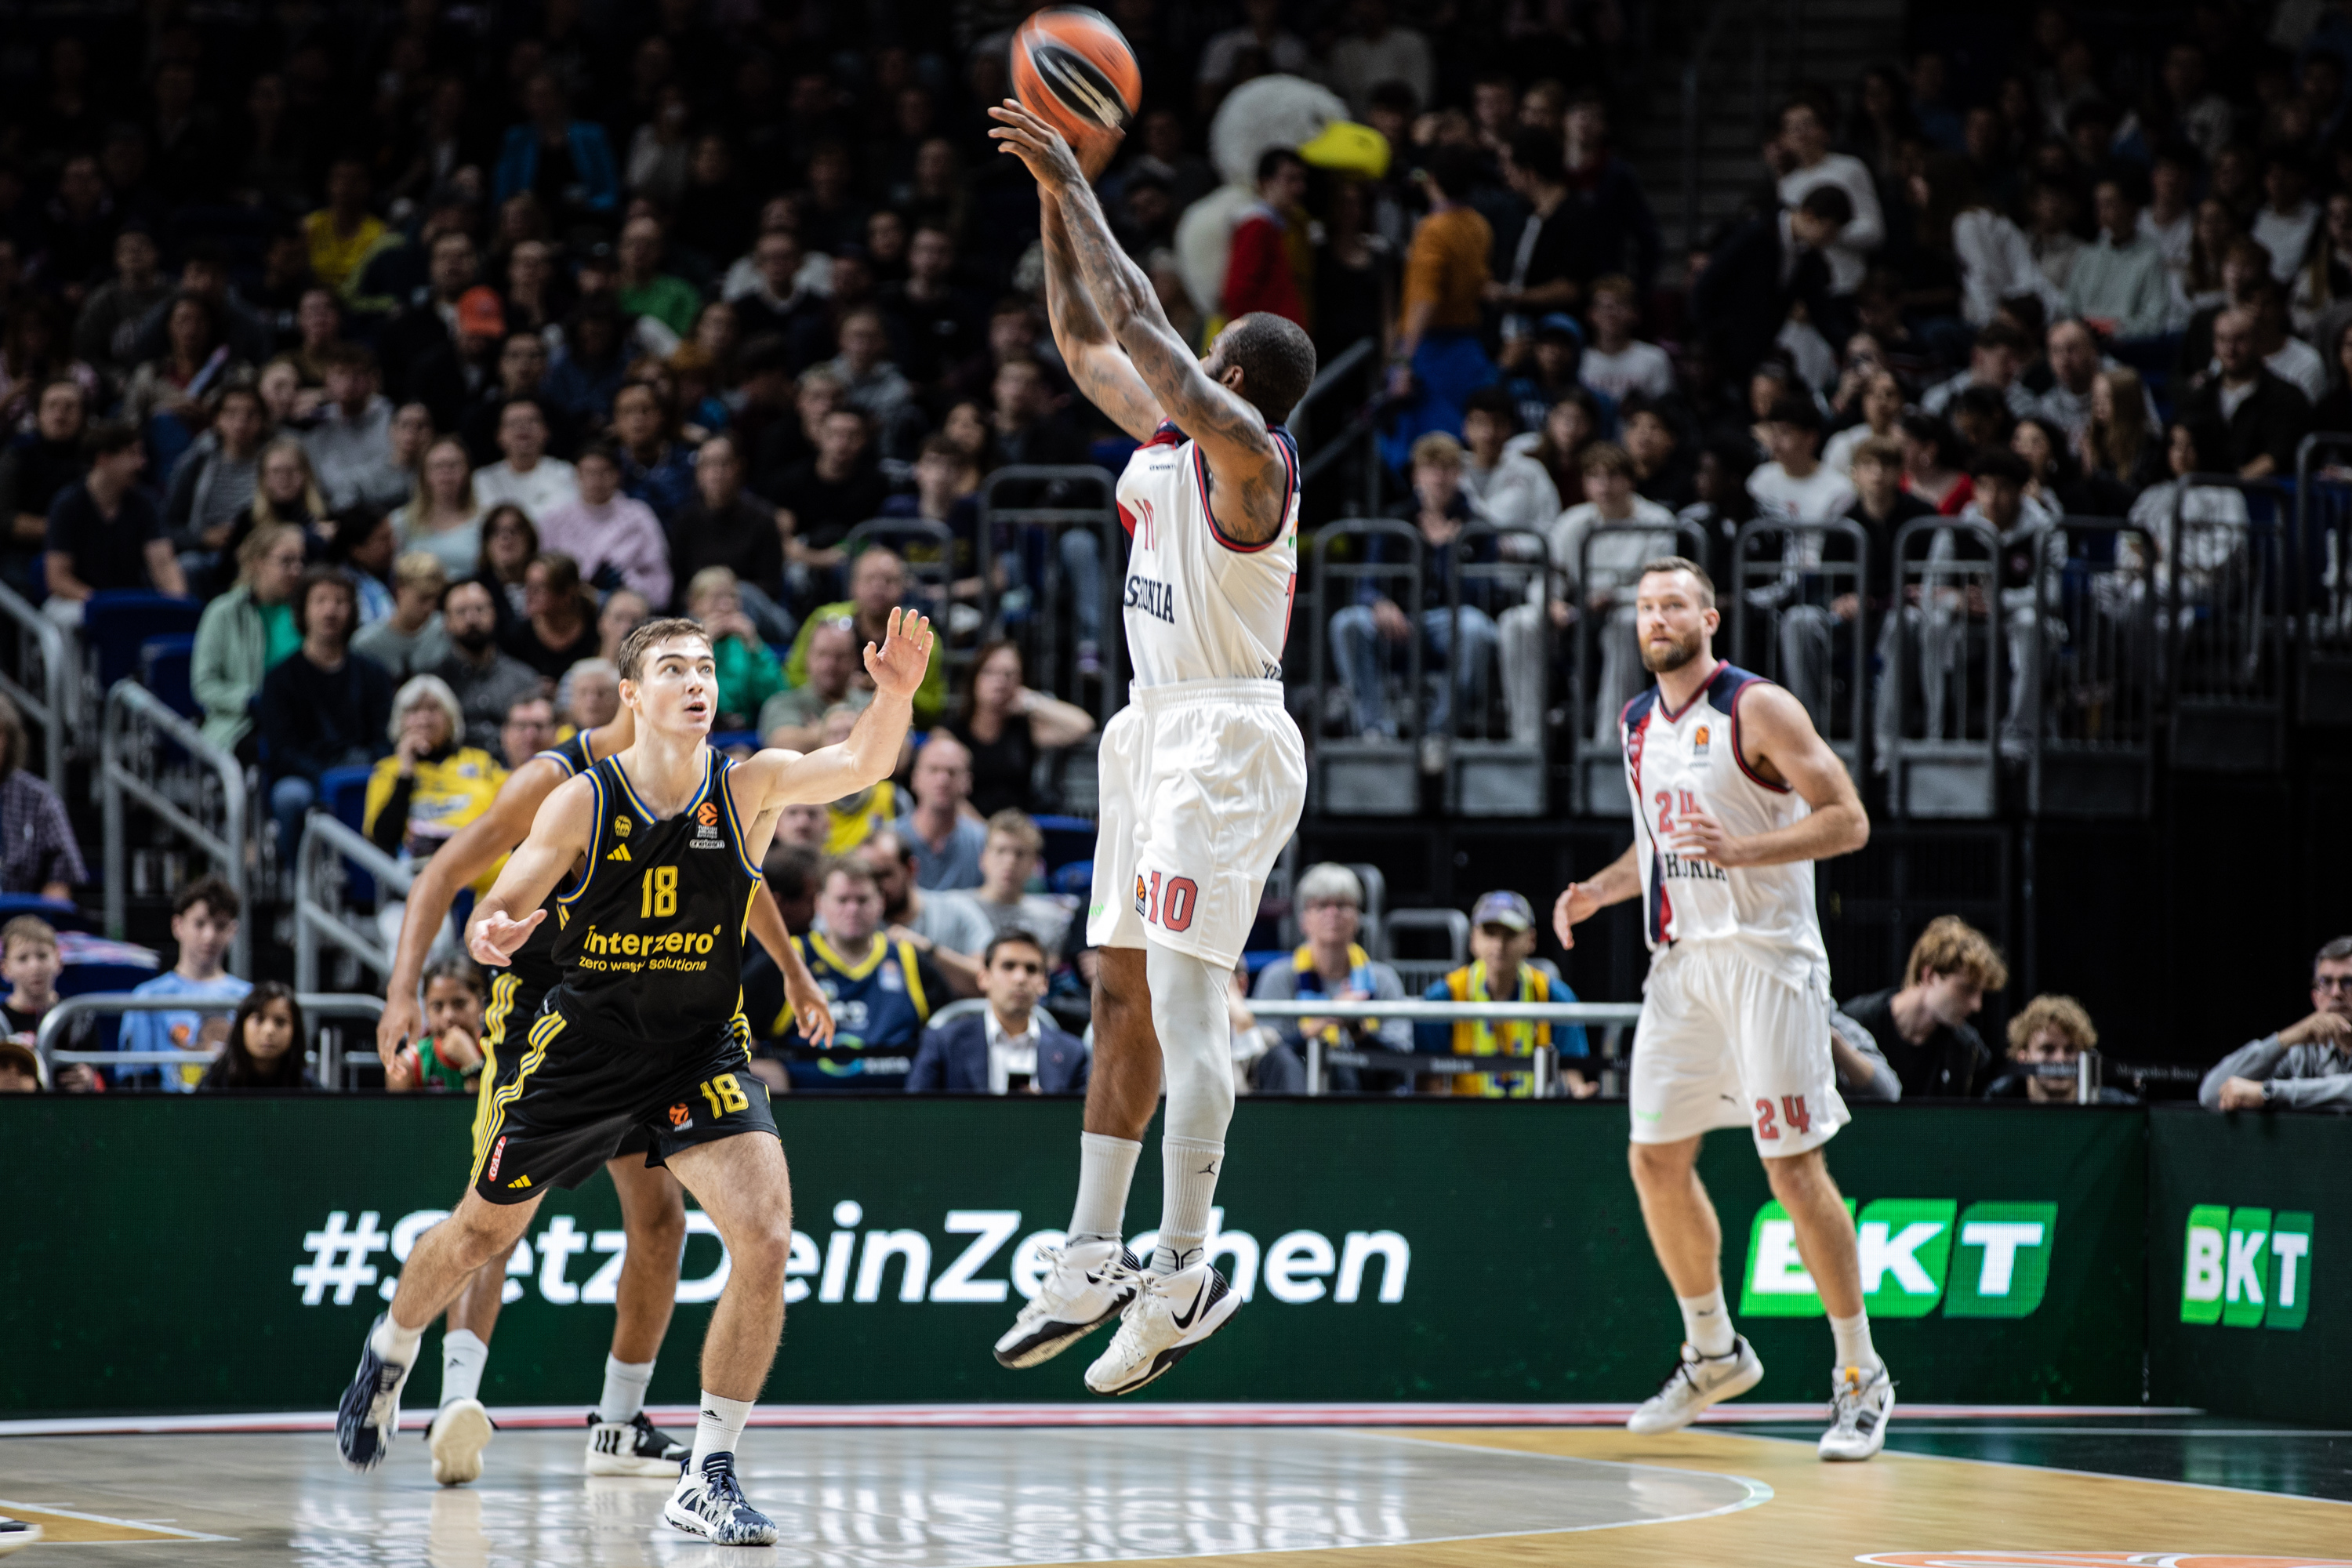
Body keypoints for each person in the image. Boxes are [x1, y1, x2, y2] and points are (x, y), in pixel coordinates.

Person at [343, 610, 927, 1546]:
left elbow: (862, 760)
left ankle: (708, 1469)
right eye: (673, 668)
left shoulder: (748, 784)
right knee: (481, 1231)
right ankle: (393, 1344)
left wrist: (892, 696)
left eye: (706, 668)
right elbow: (505, 893)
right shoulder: (580, 798)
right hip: (585, 1053)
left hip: (698, 1049)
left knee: (766, 1236)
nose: (696, 682)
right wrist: (496, 928)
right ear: (632, 694)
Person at [986, 98, 1315, 1394]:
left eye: (1205, 351)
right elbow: (1086, 339)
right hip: (1150, 728)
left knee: (1186, 1004)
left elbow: (1138, 327)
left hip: (1225, 735)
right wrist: (1046, 204)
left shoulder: (1249, 459)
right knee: (1117, 990)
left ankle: (1185, 1268)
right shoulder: (1176, 439)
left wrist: (1079, 179)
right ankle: (1089, 1256)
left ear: (1229, 373)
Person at [1550, 555, 1887, 1458]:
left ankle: (1861, 1373)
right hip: (1681, 965)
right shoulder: (1635, 721)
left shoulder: (1757, 707)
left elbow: (1849, 819)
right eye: (1644, 606)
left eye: (1674, 604)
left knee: (1793, 1172)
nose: (1656, 618)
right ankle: (1713, 1349)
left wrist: (1742, 850)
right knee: (1654, 1158)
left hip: (1768, 958)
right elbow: (1660, 846)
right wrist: (1599, 890)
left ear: (1711, 618)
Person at [761, 854, 948, 1091]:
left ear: (881, 902)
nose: (852, 909)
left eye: (862, 900)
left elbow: (949, 1031)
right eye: (842, 900)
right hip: (805, 1103)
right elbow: (736, 1022)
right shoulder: (790, 957)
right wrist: (763, 1068)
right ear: (820, 904)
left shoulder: (907, 958)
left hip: (899, 1104)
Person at [258, 568, 394, 862]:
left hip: (362, 769)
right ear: (303, 611)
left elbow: (384, 737)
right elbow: (283, 751)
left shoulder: (373, 673)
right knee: (291, 797)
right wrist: (325, 776)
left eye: (340, 601)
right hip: (306, 775)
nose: (330, 611)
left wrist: (368, 766)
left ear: (352, 611)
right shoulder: (280, 678)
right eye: (320, 601)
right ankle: (296, 883)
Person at [364, 674, 506, 947]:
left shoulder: (481, 763)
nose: (424, 719)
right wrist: (406, 773)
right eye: (413, 711)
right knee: (427, 938)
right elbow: (382, 837)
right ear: (399, 721)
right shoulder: (388, 771)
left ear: (451, 717)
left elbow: (507, 819)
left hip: (482, 876)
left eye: (433, 709)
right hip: (415, 882)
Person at [1248, 862, 1413, 1094]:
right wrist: (1330, 1016)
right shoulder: (1278, 976)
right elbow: (1266, 1057)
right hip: (1297, 1096)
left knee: (1344, 1067)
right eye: (1322, 905)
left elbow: (1400, 1060)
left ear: (1358, 918)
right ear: (1303, 920)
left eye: (1343, 905)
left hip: (1368, 1095)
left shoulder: (1383, 979)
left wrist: (1356, 1029)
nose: (1333, 913)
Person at [1417, 890, 1593, 1098]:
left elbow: (1573, 1076)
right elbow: (1429, 1085)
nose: (1499, 945)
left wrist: (1580, 1094)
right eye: (1490, 933)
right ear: (1473, 939)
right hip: (1463, 1115)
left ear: (1531, 940)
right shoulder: (1443, 996)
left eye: (1510, 934)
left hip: (1534, 1115)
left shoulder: (1555, 996)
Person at [1838, 915, 2007, 1098]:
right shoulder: (1855, 1022)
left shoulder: (1968, 1051)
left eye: (1981, 993)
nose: (1977, 1005)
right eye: (1967, 989)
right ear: (1930, 975)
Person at [908, 930, 1089, 1094]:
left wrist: (1045, 1113)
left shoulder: (1073, 1053)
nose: (1020, 978)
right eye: (1008, 966)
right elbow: (916, 1112)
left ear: (1045, 984)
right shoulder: (943, 1043)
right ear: (984, 978)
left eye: (1031, 969)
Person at [783, 546, 948, 724]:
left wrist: (890, 690)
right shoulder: (824, 621)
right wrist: (837, 686)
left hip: (895, 725)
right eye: (870, 579)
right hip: (823, 718)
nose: (878, 587)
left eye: (888, 580)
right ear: (853, 585)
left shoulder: (922, 636)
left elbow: (933, 708)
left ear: (903, 587)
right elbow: (793, 677)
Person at [115, 877, 249, 1094]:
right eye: (200, 924)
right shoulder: (148, 996)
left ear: (233, 931)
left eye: (220, 926)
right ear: (178, 925)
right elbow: (135, 1080)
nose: (209, 936)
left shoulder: (249, 997)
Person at [43, 419, 185, 618]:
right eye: (132, 454)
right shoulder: (67, 504)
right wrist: (102, 604)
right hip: (81, 600)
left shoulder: (145, 503)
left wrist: (179, 604)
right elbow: (58, 578)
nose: (142, 463)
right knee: (66, 617)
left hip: (129, 599)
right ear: (104, 459)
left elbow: (163, 563)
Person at [2200, 935, 2352, 1113]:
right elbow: (2211, 1095)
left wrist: (2270, 1093)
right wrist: (2284, 1040)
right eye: (2326, 982)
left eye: (2348, 982)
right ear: (2315, 998)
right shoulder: (2301, 1053)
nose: (2335, 993)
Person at [191, 523, 307, 754]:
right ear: (258, 562)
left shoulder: (307, 612)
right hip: (243, 724)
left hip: (304, 720)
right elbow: (204, 685)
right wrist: (251, 700)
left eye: (300, 561)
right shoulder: (223, 612)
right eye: (286, 561)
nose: (296, 570)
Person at [946, 640, 1095, 818]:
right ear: (974, 677)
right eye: (989, 672)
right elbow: (947, 794)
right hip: (968, 828)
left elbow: (1082, 726)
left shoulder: (1025, 729)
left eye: (1008, 674)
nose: (999, 681)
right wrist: (983, 830)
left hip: (1016, 826)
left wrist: (1030, 701)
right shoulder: (952, 733)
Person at [535, 442, 672, 609]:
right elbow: (543, 574)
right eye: (589, 472)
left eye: (604, 472)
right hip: (568, 606)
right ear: (577, 475)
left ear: (617, 475)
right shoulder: (554, 519)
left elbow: (660, 580)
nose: (596, 480)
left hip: (627, 606)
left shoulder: (639, 515)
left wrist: (628, 582)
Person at [432, 579, 543, 753]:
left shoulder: (524, 679)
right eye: (461, 612)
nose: (472, 619)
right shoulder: (435, 683)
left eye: (480, 609)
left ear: (494, 614)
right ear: (447, 622)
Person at [0, 691, 80, 902]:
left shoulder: (39, 798)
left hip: (20, 917)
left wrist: (37, 919)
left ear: (10, 741)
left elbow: (61, 878)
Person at [684, 566, 784, 730]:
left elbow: (777, 696)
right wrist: (703, 646)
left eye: (732, 596)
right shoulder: (678, 643)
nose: (726, 605)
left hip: (745, 732)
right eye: (716, 598)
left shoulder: (747, 644)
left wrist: (755, 647)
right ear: (695, 605)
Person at [759, 615, 869, 753]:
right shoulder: (783, 702)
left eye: (840, 656)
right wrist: (850, 728)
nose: (830, 664)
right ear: (808, 657)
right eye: (822, 654)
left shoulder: (870, 701)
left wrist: (814, 732)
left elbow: (895, 747)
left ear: (855, 660)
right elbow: (780, 744)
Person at [895, 733, 987, 891]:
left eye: (952, 772)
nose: (943, 780)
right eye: (933, 770)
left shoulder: (984, 843)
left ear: (968, 782)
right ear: (915, 778)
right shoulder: (889, 841)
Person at [1982, 994, 2109, 1102]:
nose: (2060, 1059)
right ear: (2023, 1057)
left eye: (2070, 1050)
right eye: (2048, 1049)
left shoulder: (2111, 1107)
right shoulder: (1998, 1099)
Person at [394, 437, 486, 582]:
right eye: (438, 466)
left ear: (467, 471)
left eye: (453, 465)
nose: (446, 472)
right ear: (424, 474)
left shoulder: (484, 521)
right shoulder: (400, 521)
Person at [473, 397, 579, 523]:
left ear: (546, 431)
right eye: (513, 422)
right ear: (499, 436)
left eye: (532, 421)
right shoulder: (482, 479)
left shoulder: (566, 473)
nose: (523, 427)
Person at [352, 550, 452, 681]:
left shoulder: (447, 630)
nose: (430, 608)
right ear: (400, 590)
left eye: (436, 599)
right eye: (423, 598)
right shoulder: (365, 644)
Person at [197, 981, 317, 1090]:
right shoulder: (213, 1083)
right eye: (259, 1020)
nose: (269, 1031)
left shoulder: (307, 1087)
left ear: (295, 1030)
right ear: (241, 1026)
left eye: (280, 1022)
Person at [502, 551, 599, 684]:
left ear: (567, 593)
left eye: (539, 587)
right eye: (528, 585)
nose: (529, 594)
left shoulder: (598, 628)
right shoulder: (518, 634)